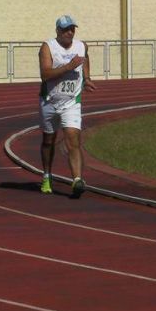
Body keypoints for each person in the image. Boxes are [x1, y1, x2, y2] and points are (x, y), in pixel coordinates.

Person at [38, 15, 97, 197]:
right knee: (49, 141)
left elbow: (85, 59)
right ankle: (47, 175)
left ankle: (77, 180)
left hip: (72, 102)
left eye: (72, 29)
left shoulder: (81, 46)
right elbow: (45, 74)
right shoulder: (48, 47)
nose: (69, 33)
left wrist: (86, 78)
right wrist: (68, 67)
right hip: (49, 101)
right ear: (57, 31)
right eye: (65, 29)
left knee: (73, 140)